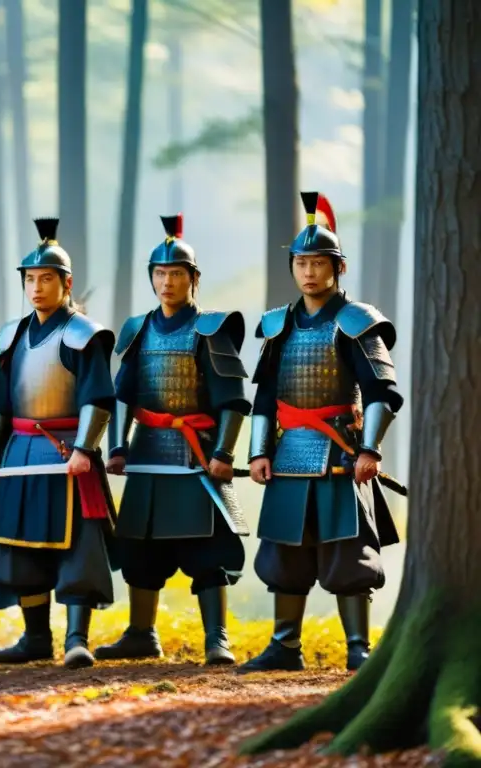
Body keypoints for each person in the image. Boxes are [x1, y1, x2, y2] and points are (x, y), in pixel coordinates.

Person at [240, 192, 403, 673]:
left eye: (318, 262)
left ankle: (359, 650)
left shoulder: (356, 323)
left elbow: (382, 393)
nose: (309, 272)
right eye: (301, 262)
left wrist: (370, 448)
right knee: (284, 552)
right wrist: (257, 452)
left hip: (341, 454)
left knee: (347, 552)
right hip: (289, 453)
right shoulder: (277, 326)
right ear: (292, 266)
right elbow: (265, 397)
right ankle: (284, 646)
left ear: (338, 267)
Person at [98, 214, 250, 665]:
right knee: (140, 549)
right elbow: (122, 394)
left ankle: (216, 638)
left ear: (193, 279)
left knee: (207, 551)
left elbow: (233, 400)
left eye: (176, 274)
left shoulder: (210, 329)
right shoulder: (137, 330)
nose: (167, 282)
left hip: (196, 455)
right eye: (160, 274)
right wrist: (118, 447)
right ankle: (141, 633)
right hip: (146, 455)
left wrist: (224, 452)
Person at [0, 217, 117, 669]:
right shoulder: (12, 335)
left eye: (46, 279)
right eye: (30, 279)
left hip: (67, 453)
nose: (36, 288)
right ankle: (36, 636)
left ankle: (77, 638)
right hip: (20, 452)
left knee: (77, 545)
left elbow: (98, 396)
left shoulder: (84, 335)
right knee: (19, 544)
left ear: (66, 282)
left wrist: (85, 449)